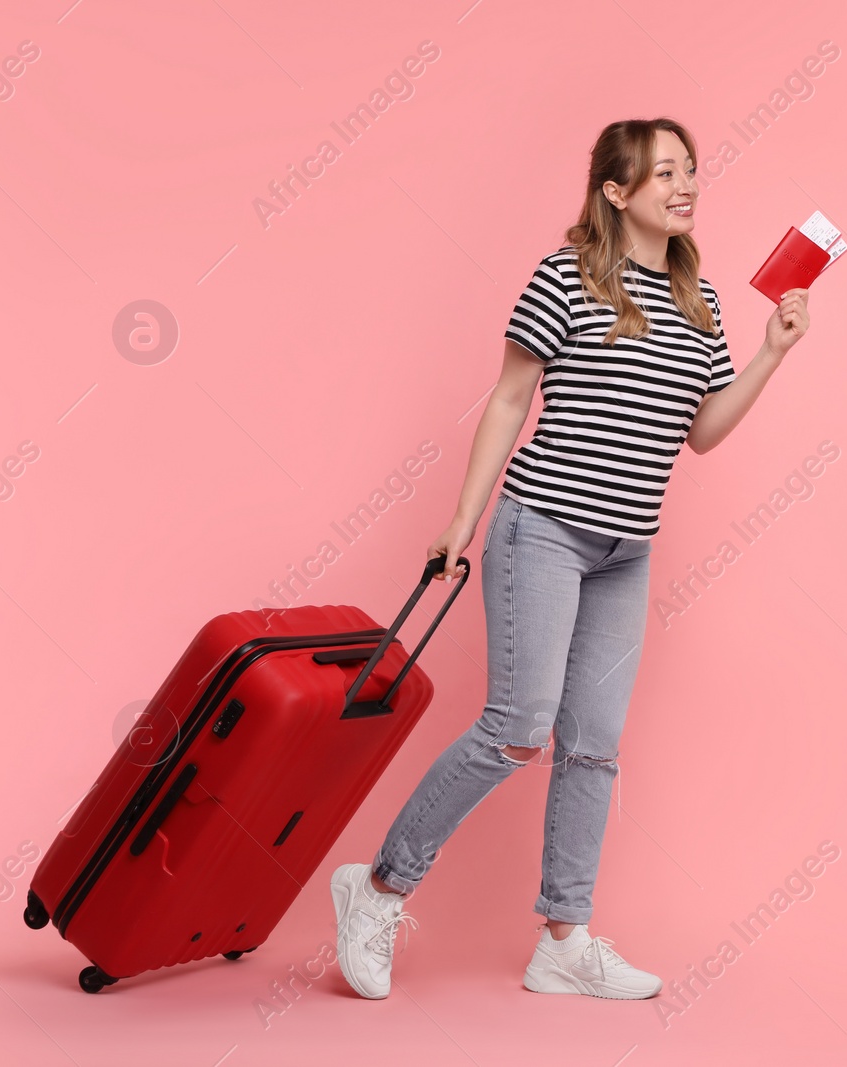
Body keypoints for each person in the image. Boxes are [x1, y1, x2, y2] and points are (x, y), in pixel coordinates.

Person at [330, 117, 810, 1000]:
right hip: (543, 528)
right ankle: (379, 884)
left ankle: (563, 936)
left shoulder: (695, 299)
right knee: (517, 728)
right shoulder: (567, 275)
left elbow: (701, 431)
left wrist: (773, 354)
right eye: (664, 172)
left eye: (691, 170)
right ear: (617, 191)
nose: (684, 184)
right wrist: (463, 519)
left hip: (627, 550)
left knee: (592, 747)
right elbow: (512, 396)